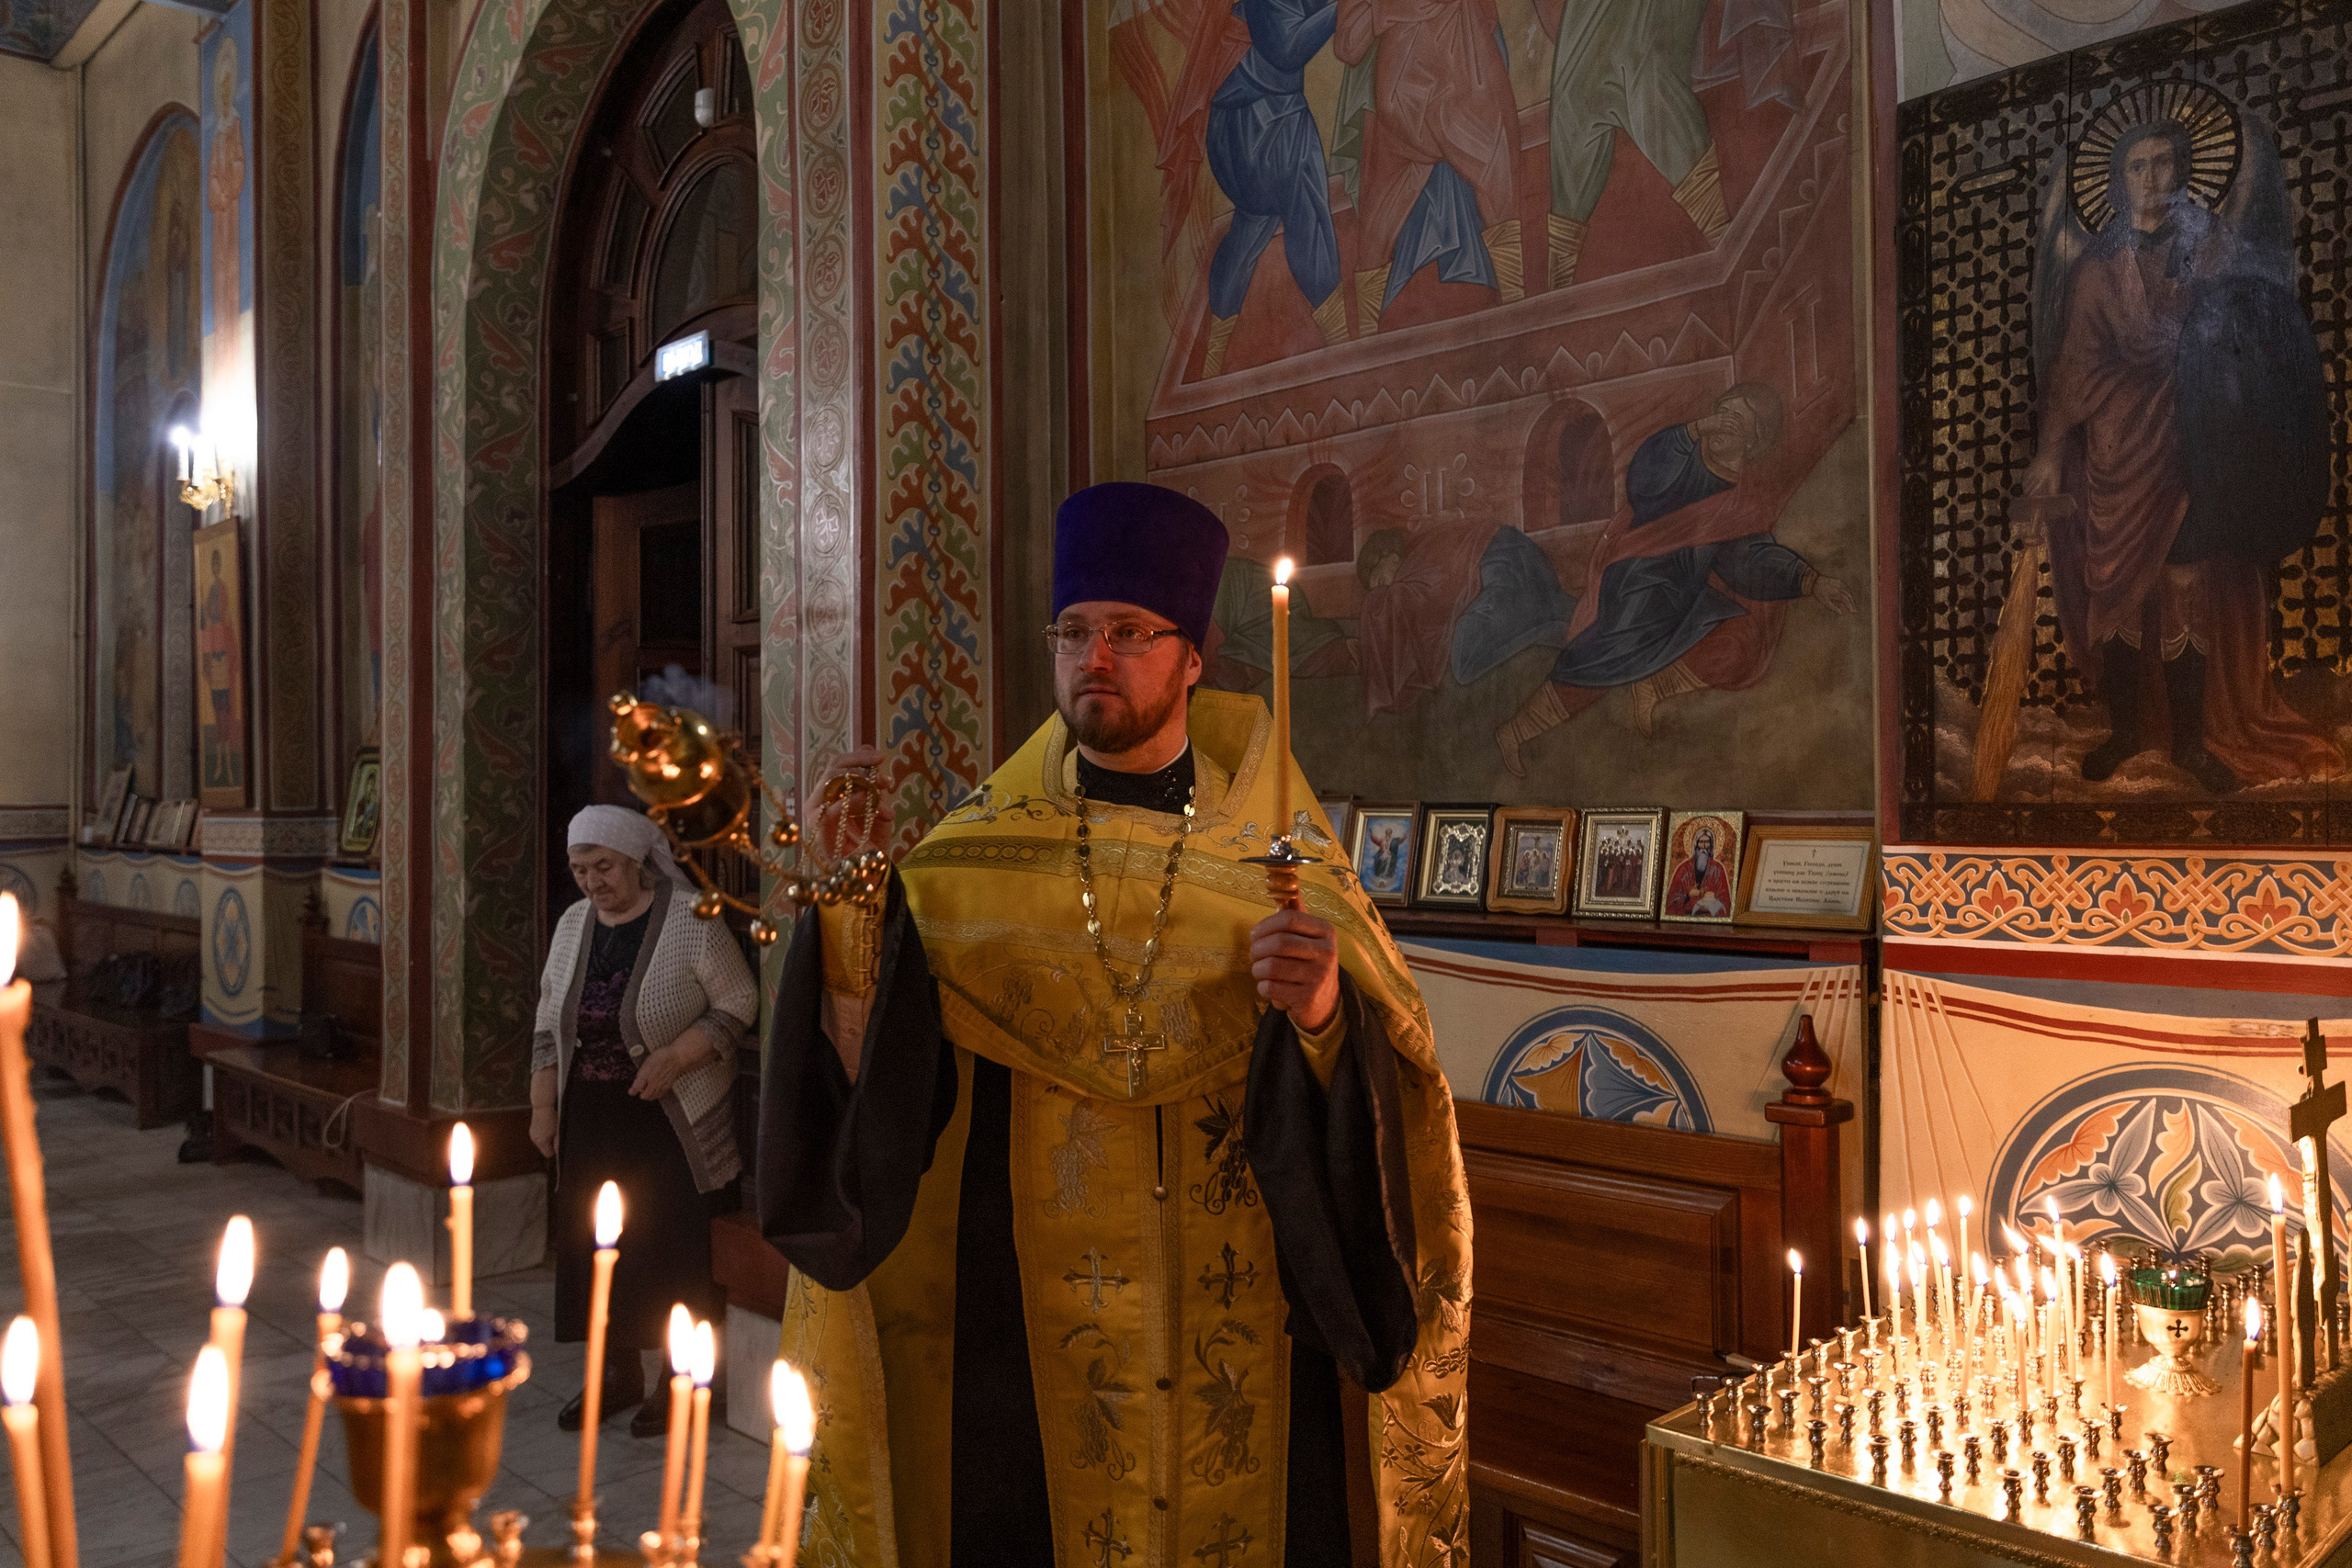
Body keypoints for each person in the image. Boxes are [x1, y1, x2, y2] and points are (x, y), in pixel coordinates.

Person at [757, 481, 1472, 1565]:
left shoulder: (1280, 863)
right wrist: (854, 913)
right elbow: (881, 1108)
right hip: (1029, 1336)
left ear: (1192, 659)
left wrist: (1322, 1012)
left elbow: (1392, 1103)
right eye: (1076, 632)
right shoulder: (970, 861)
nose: (1097, 656)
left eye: (1131, 634)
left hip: (1246, 1302)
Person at [2023, 118, 2336, 793]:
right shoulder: (2096, 269)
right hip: (2116, 450)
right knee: (2124, 594)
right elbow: (2073, 365)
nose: (2152, 180)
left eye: (2164, 164)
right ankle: (2129, 733)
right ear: (2119, 180)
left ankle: (2192, 744)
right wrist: (2051, 450)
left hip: (2193, 442)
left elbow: (2253, 329)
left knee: (2187, 584)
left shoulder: (2216, 248)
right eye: (2138, 167)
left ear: (2183, 170)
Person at [531, 805, 757, 1437]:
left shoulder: (690, 919)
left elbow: (741, 999)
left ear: (636, 861)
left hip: (672, 1120)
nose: (591, 881)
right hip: (593, 1117)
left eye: (603, 866)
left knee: (671, 1250)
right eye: (580, 869)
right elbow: (549, 1019)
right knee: (600, 1248)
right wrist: (542, 1105)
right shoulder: (574, 923)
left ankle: (681, 1379)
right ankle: (616, 1373)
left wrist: (679, 1054)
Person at [1494, 382, 1857, 773]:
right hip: (1637, 575)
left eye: (1736, 420)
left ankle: (1655, 686)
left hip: (1688, 591)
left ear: (1754, 440)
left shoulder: (1742, 502)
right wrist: (1692, 431)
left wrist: (1812, 582)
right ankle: (1516, 732)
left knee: (1744, 642)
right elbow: (1643, 486)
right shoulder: (1679, 459)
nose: (1723, 423)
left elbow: (1749, 560)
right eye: (1722, 411)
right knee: (1609, 655)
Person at [1662, 826, 1732, 917]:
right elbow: (1671, 899)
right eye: (1701, 842)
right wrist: (1688, 896)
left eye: (1707, 842)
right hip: (1685, 918)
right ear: (1696, 844)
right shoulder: (1684, 868)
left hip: (1710, 919)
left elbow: (1725, 901)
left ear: (1711, 845)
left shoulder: (1718, 869)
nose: (1703, 846)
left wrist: (1713, 900)